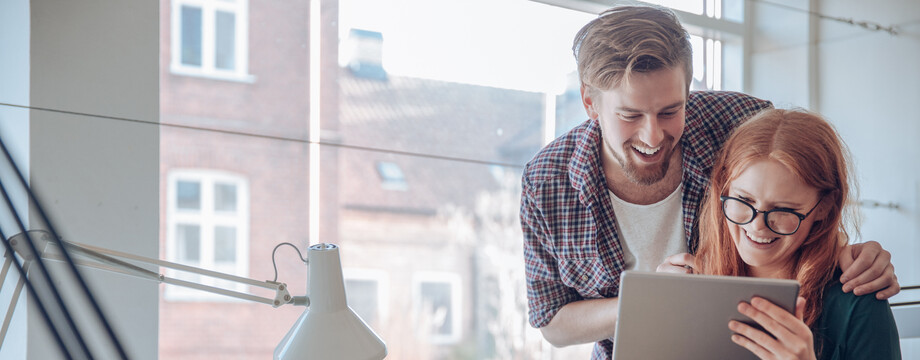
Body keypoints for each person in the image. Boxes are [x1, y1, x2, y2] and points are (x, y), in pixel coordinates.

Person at [520, 5, 900, 359]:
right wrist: (653, 300)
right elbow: (552, 322)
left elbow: (798, 186)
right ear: (590, 103)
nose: (653, 137)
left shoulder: (739, 120)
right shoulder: (547, 182)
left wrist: (849, 253)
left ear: (688, 92)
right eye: (630, 115)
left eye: (671, 111)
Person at [687, 108, 901, 359]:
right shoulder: (694, 280)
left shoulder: (858, 302)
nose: (757, 226)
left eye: (783, 210)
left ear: (824, 207)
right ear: (723, 184)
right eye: (743, 200)